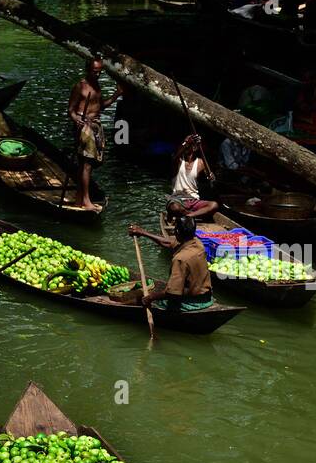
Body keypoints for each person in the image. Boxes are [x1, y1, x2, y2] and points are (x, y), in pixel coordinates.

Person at [68, 59, 122, 211]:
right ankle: (86, 201)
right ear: (87, 69)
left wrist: (116, 94)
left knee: (87, 164)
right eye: (94, 71)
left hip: (95, 125)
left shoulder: (97, 86)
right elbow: (70, 110)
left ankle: (79, 199)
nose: (97, 75)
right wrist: (76, 120)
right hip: (84, 127)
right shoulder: (80, 86)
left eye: (99, 72)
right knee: (87, 164)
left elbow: (100, 106)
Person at [131, 215, 215, 312]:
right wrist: (143, 233)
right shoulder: (197, 243)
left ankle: (117, 304)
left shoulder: (180, 259)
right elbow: (168, 243)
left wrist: (150, 298)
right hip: (207, 297)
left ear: (177, 232)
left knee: (139, 300)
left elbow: (172, 293)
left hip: (192, 302)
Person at [167, 134, 218, 218]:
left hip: (193, 200)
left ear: (194, 148)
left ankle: (188, 215)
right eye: (185, 144)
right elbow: (176, 156)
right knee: (174, 208)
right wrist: (186, 142)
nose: (186, 147)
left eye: (189, 145)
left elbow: (210, 179)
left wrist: (212, 177)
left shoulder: (201, 162)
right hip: (178, 199)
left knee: (214, 205)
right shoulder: (179, 160)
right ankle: (193, 214)